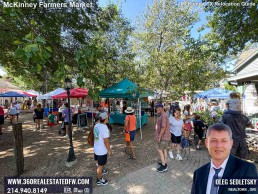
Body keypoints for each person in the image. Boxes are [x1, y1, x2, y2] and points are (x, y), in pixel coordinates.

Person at [191, 123, 257, 194]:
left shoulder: (246, 170)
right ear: (206, 143)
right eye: (214, 140)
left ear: (231, 143)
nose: (218, 145)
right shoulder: (199, 173)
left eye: (224, 140)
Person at [94, 112, 112, 186]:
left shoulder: (96, 125)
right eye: (107, 118)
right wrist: (109, 150)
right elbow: (106, 142)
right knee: (100, 166)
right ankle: (99, 180)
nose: (108, 118)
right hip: (101, 150)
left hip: (96, 148)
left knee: (99, 163)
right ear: (105, 119)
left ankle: (102, 171)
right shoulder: (104, 128)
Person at [155, 103, 170, 173]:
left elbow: (163, 127)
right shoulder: (163, 115)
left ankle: (164, 166)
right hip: (165, 137)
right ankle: (164, 162)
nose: (156, 109)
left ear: (160, 108)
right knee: (164, 149)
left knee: (160, 149)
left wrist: (159, 137)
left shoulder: (163, 115)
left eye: (157, 108)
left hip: (163, 137)